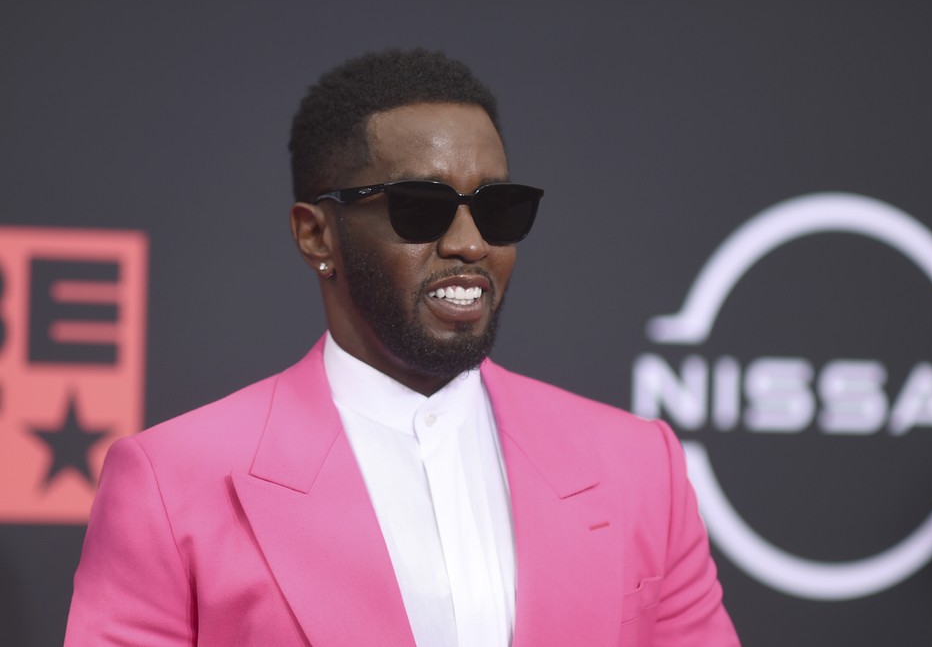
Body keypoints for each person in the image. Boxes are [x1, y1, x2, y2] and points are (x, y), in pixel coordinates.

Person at [65, 48, 740, 646]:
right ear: (316, 235)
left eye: (498, 208)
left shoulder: (639, 466)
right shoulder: (171, 483)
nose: (470, 243)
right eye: (420, 207)